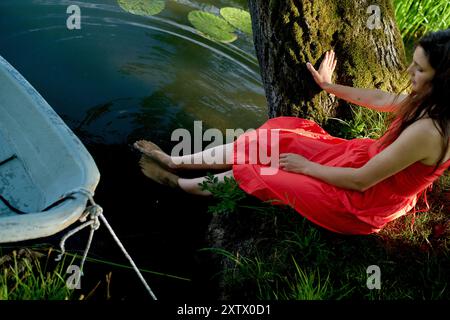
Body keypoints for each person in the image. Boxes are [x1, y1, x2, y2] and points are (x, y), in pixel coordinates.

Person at [134, 29, 450, 235]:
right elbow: (382, 99)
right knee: (275, 136)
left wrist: (307, 168)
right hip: (358, 160)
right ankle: (177, 162)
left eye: (419, 69)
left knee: (261, 169)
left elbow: (361, 180)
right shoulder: (430, 102)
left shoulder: (431, 131)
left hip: (359, 200)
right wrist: (328, 87)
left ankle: (183, 185)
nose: (409, 72)